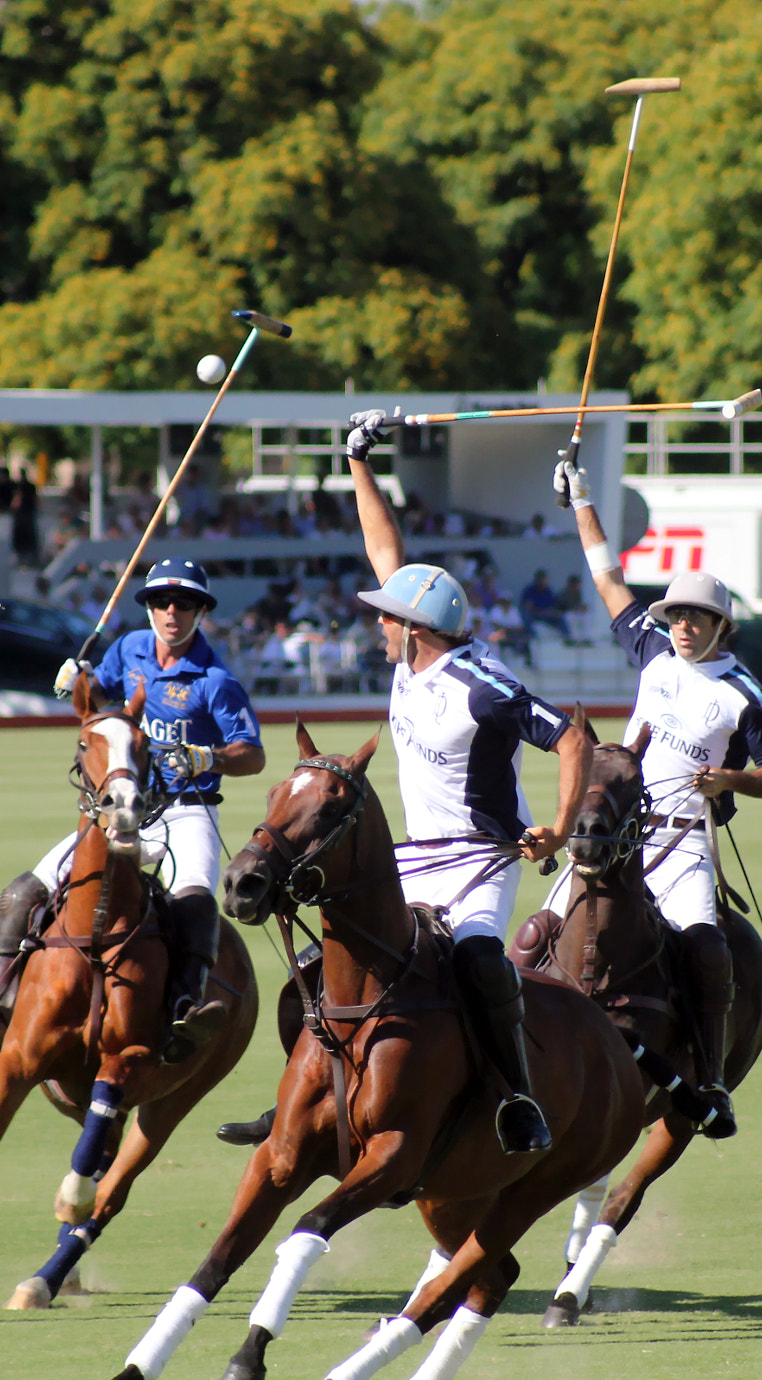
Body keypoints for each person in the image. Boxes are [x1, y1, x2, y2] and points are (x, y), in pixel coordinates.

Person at [233, 408, 589, 1156]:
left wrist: (556, 828)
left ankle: (517, 1095)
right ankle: (304, 1096)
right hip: (411, 857)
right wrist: (358, 458)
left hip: (480, 862)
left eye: (385, 618)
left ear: (414, 628)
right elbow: (383, 548)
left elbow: (571, 737)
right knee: (318, 963)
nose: (376, 624)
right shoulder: (409, 657)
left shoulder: (484, 685)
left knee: (480, 964)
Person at [0, 560, 265, 1071]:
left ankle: (184, 1011)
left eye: (186, 603)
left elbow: (253, 754)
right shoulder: (127, 649)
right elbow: (99, 707)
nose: (173, 612)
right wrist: (76, 682)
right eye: (162, 602)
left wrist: (207, 757)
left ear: (201, 611)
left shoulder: (216, 681)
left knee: (193, 898)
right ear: (149, 607)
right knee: (23, 893)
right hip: (121, 806)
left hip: (186, 810)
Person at [549, 457, 762, 1139]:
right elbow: (607, 577)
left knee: (704, 945)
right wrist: (583, 500)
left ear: (722, 626)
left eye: (697, 617)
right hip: (615, 829)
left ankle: (712, 1079)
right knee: (539, 935)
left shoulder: (743, 692)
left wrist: (729, 782)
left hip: (686, 839)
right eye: (678, 614)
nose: (683, 625)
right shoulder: (653, 651)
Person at [520, 569, 570, 641]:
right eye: (540, 579)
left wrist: (552, 612)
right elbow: (528, 606)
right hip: (534, 614)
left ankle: (567, 637)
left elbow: (553, 605)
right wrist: (537, 611)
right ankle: (531, 636)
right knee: (525, 614)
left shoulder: (548, 591)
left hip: (545, 614)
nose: (542, 581)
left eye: (544, 579)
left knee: (560, 617)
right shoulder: (529, 590)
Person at [10, 464, 40, 568]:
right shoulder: (31, 486)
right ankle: (30, 559)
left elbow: (17, 500)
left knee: (22, 537)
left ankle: (22, 559)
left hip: (22, 514)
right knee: (30, 537)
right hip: (29, 513)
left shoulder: (19, 486)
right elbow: (36, 500)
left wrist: (13, 508)